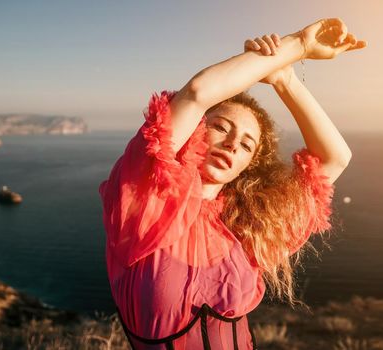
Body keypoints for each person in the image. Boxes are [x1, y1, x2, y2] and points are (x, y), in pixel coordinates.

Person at [99, 17, 366, 350]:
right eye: (223, 128)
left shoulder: (251, 224)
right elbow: (197, 93)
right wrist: (297, 45)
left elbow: (334, 158)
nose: (232, 144)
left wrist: (284, 80)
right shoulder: (145, 203)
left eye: (246, 144)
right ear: (196, 129)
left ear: (248, 163)